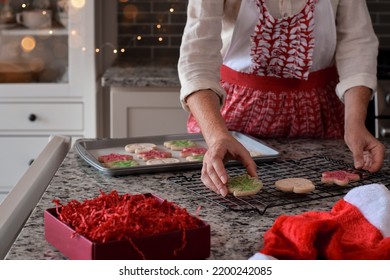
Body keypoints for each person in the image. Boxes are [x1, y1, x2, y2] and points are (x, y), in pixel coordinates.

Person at [178, 0, 386, 197]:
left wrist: (355, 122)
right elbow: (197, 60)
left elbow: (357, 44)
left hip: (318, 113)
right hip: (232, 123)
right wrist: (217, 136)